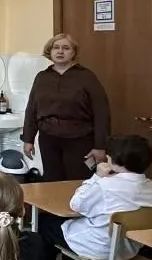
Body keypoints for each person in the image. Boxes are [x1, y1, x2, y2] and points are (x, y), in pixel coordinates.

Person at [38, 134, 152, 260]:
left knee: (46, 224)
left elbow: (76, 204)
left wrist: (97, 176)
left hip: (101, 248)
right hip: (130, 250)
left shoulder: (106, 185)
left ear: (115, 161)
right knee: (71, 225)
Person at [21, 33, 112, 182]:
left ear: (73, 52)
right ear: (50, 51)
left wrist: (100, 146)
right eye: (56, 47)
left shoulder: (86, 77)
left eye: (66, 48)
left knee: (78, 181)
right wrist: (28, 139)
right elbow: (31, 109)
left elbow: (101, 112)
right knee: (52, 180)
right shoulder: (42, 77)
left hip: (80, 139)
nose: (60, 51)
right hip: (48, 139)